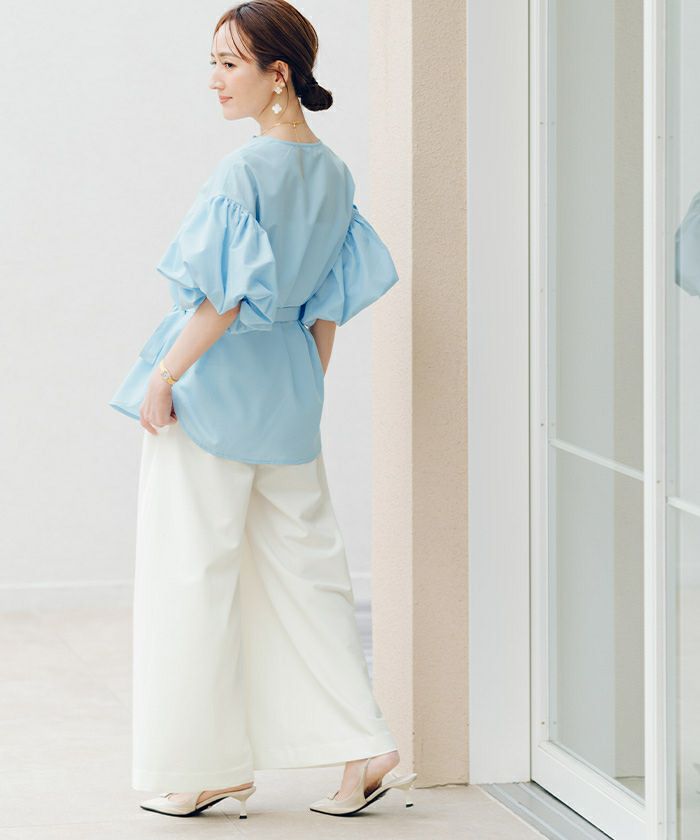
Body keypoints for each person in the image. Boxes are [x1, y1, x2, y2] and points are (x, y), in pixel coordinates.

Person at [108, 0, 416, 820]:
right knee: (311, 578)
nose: (214, 80)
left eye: (229, 64)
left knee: (192, 579)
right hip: (287, 396)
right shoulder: (335, 174)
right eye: (211, 63)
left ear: (278, 74)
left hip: (213, 397)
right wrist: (307, 390)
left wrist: (165, 374)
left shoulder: (242, 173)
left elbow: (221, 298)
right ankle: (364, 748)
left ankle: (208, 767)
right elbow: (328, 307)